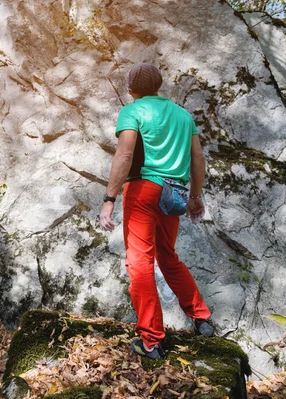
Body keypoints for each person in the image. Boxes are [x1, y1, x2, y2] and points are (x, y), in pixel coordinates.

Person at [99, 63, 213, 360]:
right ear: (159, 85)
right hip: (174, 193)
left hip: (144, 191)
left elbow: (124, 154)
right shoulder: (183, 115)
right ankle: (201, 318)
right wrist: (195, 197)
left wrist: (109, 198)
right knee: (168, 256)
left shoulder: (133, 111)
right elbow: (197, 157)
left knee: (139, 262)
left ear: (131, 88)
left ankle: (151, 340)